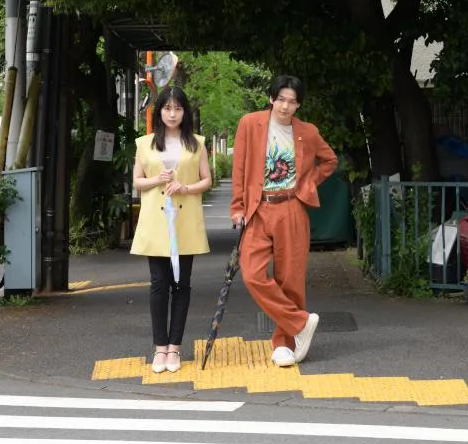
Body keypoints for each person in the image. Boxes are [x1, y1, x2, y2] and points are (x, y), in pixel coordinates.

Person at [231, 74, 337, 368]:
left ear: (298, 104)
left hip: (292, 207)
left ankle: (284, 344)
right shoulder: (250, 124)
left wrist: (308, 184)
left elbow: (329, 161)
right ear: (271, 99)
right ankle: (300, 323)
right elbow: (239, 168)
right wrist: (237, 207)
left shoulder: (308, 132)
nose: (286, 106)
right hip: (258, 208)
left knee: (290, 279)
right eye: (281, 99)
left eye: (292, 101)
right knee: (252, 273)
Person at [131, 85, 211, 373]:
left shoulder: (197, 143)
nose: (173, 113)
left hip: (185, 220)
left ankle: (175, 348)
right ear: (159, 111)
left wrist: (184, 187)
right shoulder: (145, 143)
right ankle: (159, 348)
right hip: (155, 220)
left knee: (182, 284)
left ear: (184, 111)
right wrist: (157, 179)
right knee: (158, 283)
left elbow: (207, 180)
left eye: (178, 108)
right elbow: (137, 182)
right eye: (167, 108)